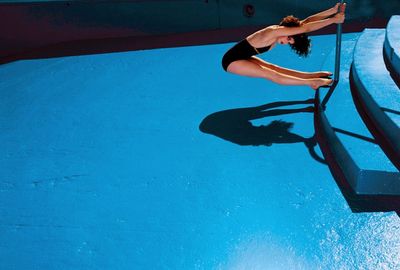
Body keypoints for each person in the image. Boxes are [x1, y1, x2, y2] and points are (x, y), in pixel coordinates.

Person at [222, 3, 346, 90]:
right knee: (270, 73)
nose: (286, 42)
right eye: (289, 39)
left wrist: (332, 11)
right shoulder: (273, 32)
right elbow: (307, 28)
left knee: (273, 67)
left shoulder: (282, 32)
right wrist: (333, 20)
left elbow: (307, 21)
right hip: (231, 61)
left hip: (242, 56)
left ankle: (310, 75)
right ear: (287, 31)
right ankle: (311, 82)